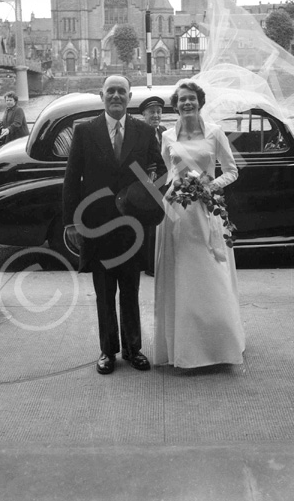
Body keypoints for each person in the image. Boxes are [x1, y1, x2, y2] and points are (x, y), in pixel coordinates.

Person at [63, 75, 166, 375]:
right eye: (111, 91)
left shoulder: (145, 131)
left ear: (130, 96)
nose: (116, 96)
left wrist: (147, 188)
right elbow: (71, 180)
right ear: (102, 95)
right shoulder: (85, 132)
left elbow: (159, 170)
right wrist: (71, 222)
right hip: (97, 226)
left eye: (122, 91)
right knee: (104, 292)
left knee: (131, 290)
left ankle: (134, 350)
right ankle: (107, 351)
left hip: (132, 227)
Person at [154, 80, 245, 369]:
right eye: (181, 99)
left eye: (191, 99)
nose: (187, 103)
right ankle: (183, 347)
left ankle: (219, 345)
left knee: (211, 273)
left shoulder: (215, 133)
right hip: (177, 212)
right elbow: (165, 173)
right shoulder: (168, 136)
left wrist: (210, 186)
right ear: (176, 104)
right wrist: (174, 186)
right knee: (181, 275)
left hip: (206, 210)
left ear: (200, 102)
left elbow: (231, 170)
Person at [139, 95, 166, 277]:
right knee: (149, 226)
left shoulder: (164, 132)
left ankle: (160, 261)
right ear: (144, 115)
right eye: (151, 113)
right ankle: (150, 265)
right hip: (146, 182)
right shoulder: (140, 133)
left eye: (158, 112)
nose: (155, 116)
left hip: (163, 181)